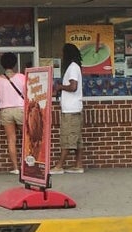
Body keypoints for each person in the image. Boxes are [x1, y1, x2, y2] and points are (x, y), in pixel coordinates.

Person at [0, 52, 26, 175]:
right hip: (21, 109)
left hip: (5, 110)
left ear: (2, 65)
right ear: (15, 64)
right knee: (28, 138)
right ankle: (29, 165)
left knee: (11, 140)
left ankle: (15, 168)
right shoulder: (22, 77)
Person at [50, 43, 84, 174]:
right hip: (73, 108)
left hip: (71, 109)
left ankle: (59, 166)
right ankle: (78, 164)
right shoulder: (74, 67)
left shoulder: (73, 68)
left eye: (63, 53)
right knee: (76, 139)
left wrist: (60, 87)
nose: (61, 55)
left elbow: (73, 86)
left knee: (67, 138)